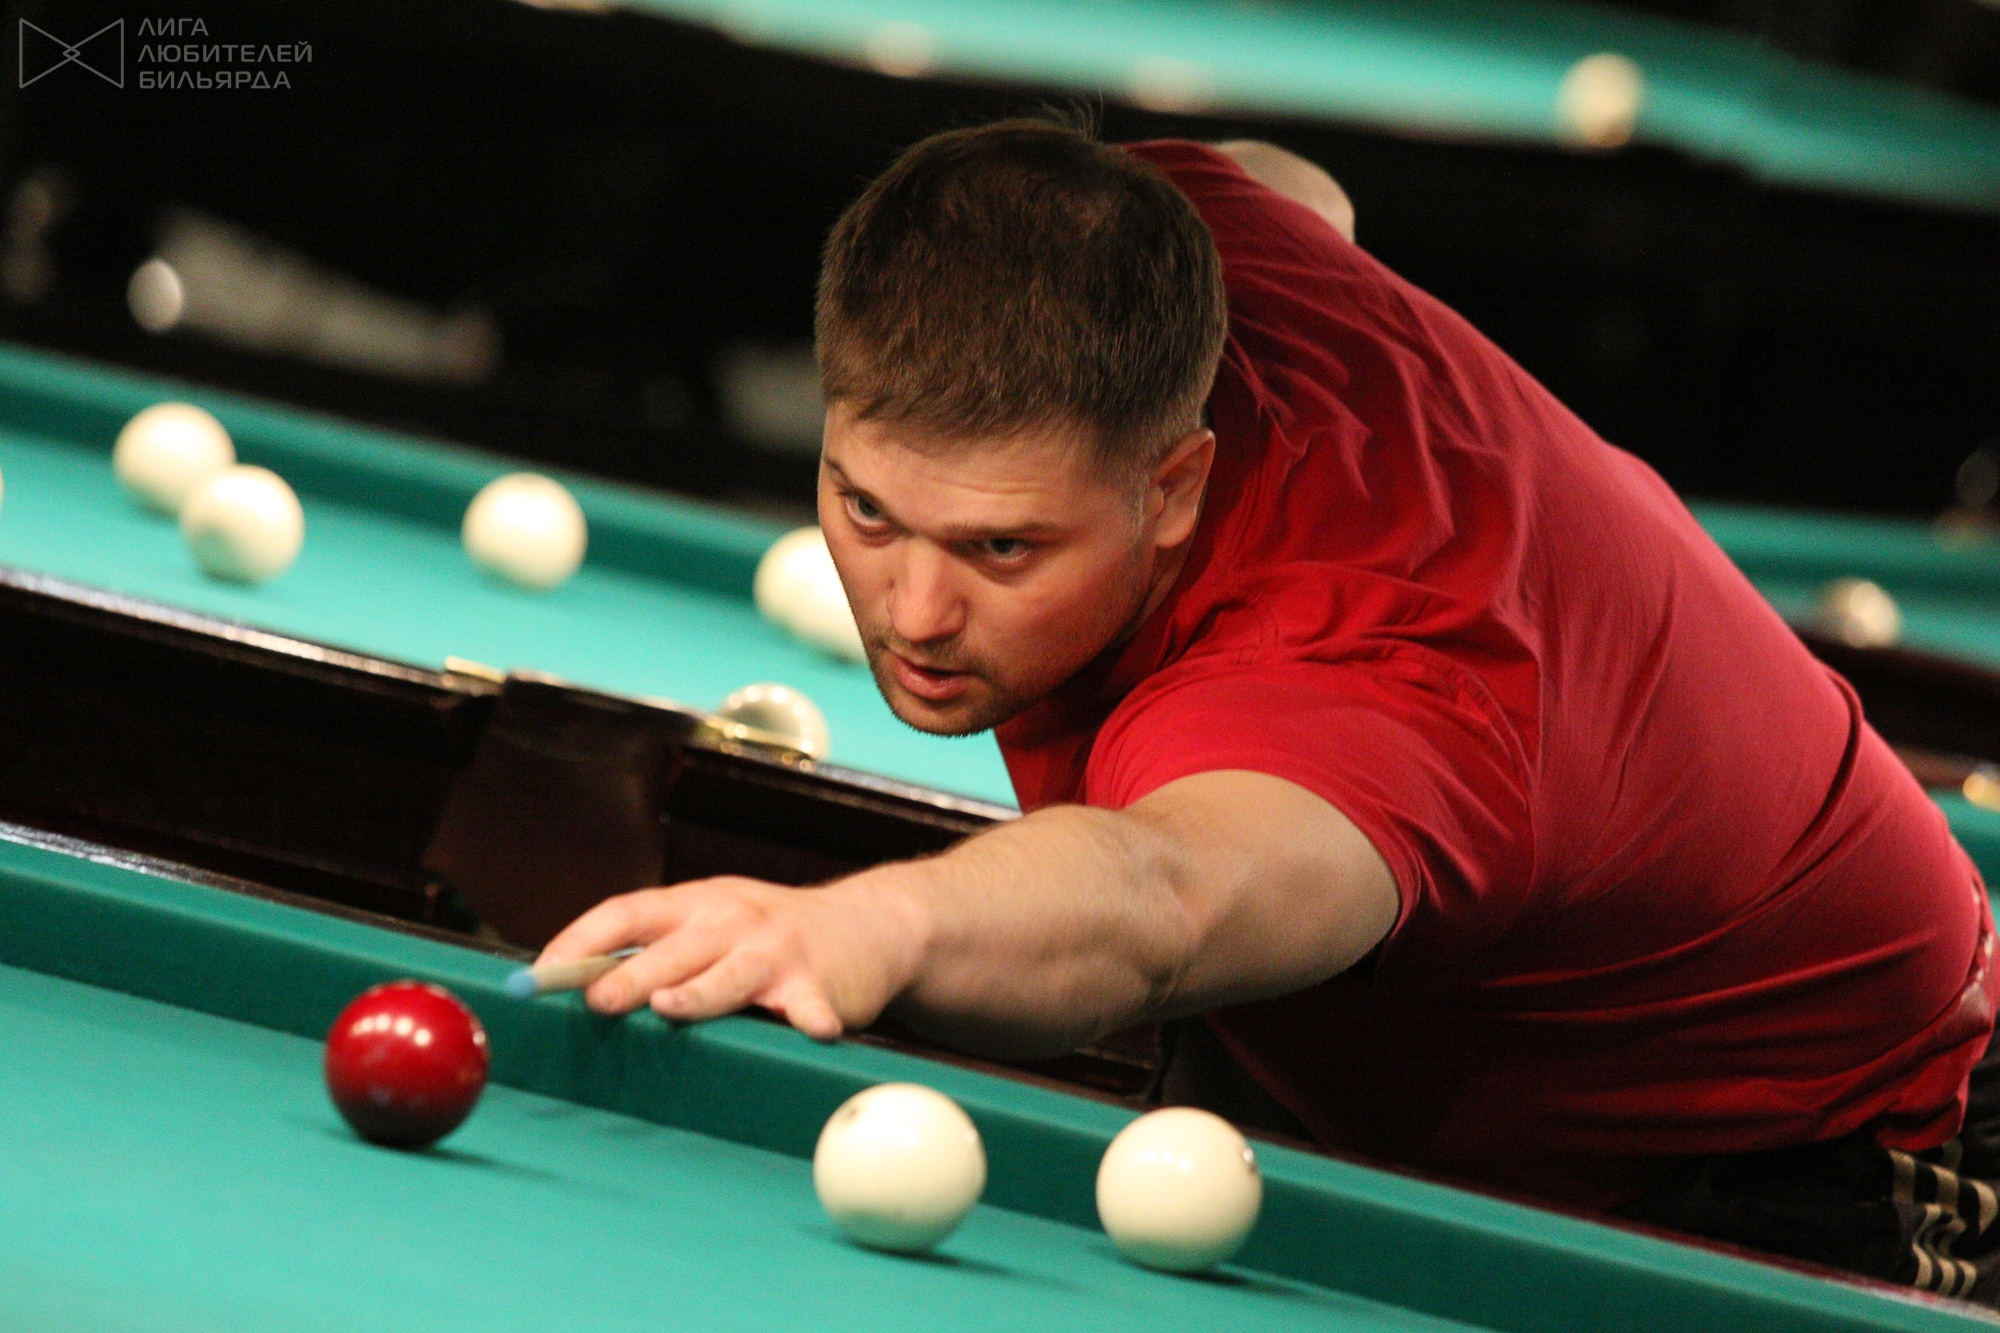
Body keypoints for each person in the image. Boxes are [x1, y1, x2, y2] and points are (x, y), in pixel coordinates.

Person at [538, 116, 1999, 1299]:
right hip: (1433, 1028)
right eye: (867, 509)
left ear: (1175, 485)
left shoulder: (1363, 668)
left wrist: (873, 925)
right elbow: (1285, 182)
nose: (914, 609)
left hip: (1820, 1128)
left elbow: (1161, 894)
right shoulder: (1176, 249)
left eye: (1002, 548)